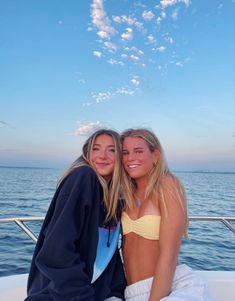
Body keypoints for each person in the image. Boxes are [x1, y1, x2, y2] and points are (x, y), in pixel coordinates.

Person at [25, 129, 126, 301]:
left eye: (112, 150)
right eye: (96, 149)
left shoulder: (114, 197)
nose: (102, 156)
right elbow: (55, 251)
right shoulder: (83, 177)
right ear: (87, 153)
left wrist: (117, 291)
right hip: (59, 296)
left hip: (95, 293)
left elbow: (107, 252)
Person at [120, 128, 212, 301]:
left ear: (155, 155)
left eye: (138, 151)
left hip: (172, 286)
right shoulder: (125, 194)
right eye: (125, 153)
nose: (130, 158)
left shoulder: (167, 184)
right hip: (133, 291)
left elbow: (168, 255)